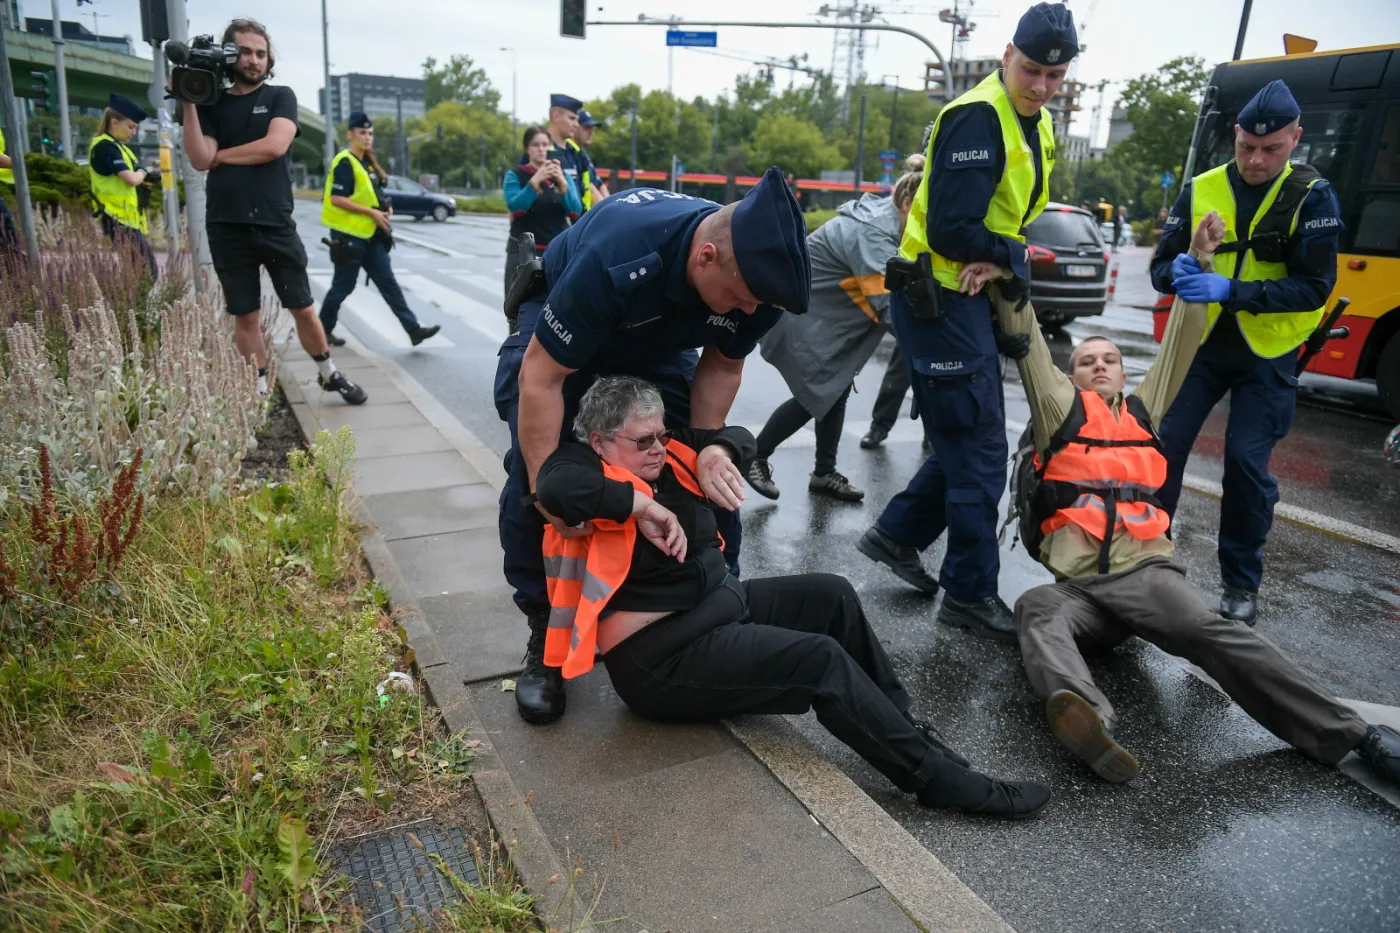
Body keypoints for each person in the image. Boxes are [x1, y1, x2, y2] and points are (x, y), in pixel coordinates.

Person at [975, 212, 1400, 791]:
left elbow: (1183, 339)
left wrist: (1201, 261)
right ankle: (1088, 723)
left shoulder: (1144, 410)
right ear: (1072, 376)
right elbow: (1029, 352)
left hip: (1146, 578)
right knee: (1035, 608)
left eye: (1109, 360)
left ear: (1122, 373)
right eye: (1086, 361)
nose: (1099, 365)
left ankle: (1355, 737)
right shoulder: (1060, 410)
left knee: (1214, 634)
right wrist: (1008, 275)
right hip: (1079, 592)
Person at [535, 375, 1053, 818]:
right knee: (819, 661)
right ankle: (935, 780)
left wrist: (717, 449)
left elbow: (738, 436)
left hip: (717, 608)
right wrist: (641, 508)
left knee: (832, 593)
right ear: (601, 441)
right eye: (643, 440)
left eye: (661, 435)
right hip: (661, 658)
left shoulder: (669, 454)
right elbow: (553, 489)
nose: (658, 448)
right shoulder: (580, 469)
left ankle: (902, 725)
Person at [495, 166, 809, 726]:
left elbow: (724, 363)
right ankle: (547, 632)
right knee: (536, 477)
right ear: (706, 256)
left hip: (658, 341)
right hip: (567, 328)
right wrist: (551, 493)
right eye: (737, 300)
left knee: (696, 473)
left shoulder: (755, 283)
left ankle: (717, 603)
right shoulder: (618, 255)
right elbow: (541, 379)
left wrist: (704, 450)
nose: (743, 313)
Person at [856, 2, 1074, 643]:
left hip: (961, 298)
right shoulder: (980, 116)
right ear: (1008, 54)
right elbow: (953, 229)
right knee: (978, 450)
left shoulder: (1033, 121)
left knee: (963, 439)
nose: (1040, 85)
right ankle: (969, 595)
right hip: (941, 298)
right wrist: (1010, 257)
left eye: (1055, 77)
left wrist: (1000, 258)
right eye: (1032, 69)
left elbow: (1002, 217)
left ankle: (894, 535)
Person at [1151, 79, 1343, 626]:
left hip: (1268, 350)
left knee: (1245, 465)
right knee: (1161, 449)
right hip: (1203, 345)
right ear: (1234, 136)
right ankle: (1147, 562)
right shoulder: (1203, 186)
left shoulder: (1313, 195)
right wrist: (1178, 270)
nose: (1256, 160)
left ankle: (1240, 584)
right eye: (1246, 147)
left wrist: (1233, 291)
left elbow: (1313, 287)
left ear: (1295, 139)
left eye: (1272, 149)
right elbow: (1160, 267)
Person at [179, 18, 365, 403]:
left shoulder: (281, 96)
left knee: (302, 307)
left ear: (268, 59)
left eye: (260, 53)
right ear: (229, 55)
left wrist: (222, 157)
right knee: (244, 314)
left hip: (274, 222)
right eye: (244, 52)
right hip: (226, 225)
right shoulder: (211, 104)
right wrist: (188, 100)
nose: (253, 60)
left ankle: (328, 373)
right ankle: (258, 390)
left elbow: (274, 146)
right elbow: (199, 158)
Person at [746, 158, 925, 503]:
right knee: (817, 392)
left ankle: (824, 473)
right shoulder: (875, 233)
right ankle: (757, 454)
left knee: (834, 389)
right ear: (906, 204)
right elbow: (887, 306)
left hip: (822, 318)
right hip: (808, 319)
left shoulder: (887, 219)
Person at [319, 111, 440, 349]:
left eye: (371, 133)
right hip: (349, 237)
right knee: (343, 286)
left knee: (389, 284)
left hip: (371, 236)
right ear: (350, 134)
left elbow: (373, 195)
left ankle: (413, 330)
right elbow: (336, 198)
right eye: (363, 133)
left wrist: (385, 208)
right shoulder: (345, 161)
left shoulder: (367, 164)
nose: (367, 138)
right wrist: (371, 213)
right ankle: (322, 331)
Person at [503, 125, 583, 292]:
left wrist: (562, 183)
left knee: (555, 304)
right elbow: (516, 208)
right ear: (527, 148)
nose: (541, 149)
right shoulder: (515, 175)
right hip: (523, 252)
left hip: (554, 252)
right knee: (518, 305)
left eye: (545, 144)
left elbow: (575, 211)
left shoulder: (562, 175)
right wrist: (535, 180)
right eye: (535, 145)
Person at [88, 94, 158, 280]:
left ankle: (131, 306)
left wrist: (147, 176)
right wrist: (142, 173)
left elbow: (136, 177)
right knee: (147, 273)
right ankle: (130, 306)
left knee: (141, 273)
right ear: (114, 122)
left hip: (126, 220)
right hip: (115, 218)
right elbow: (131, 179)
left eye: (136, 128)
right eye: (131, 127)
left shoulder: (120, 148)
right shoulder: (105, 147)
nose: (133, 132)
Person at [568, 108, 608, 209]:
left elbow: (599, 184)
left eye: (592, 128)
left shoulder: (583, 154)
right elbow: (591, 188)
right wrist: (607, 211)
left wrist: (611, 205)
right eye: (586, 127)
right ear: (575, 127)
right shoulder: (570, 151)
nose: (591, 132)